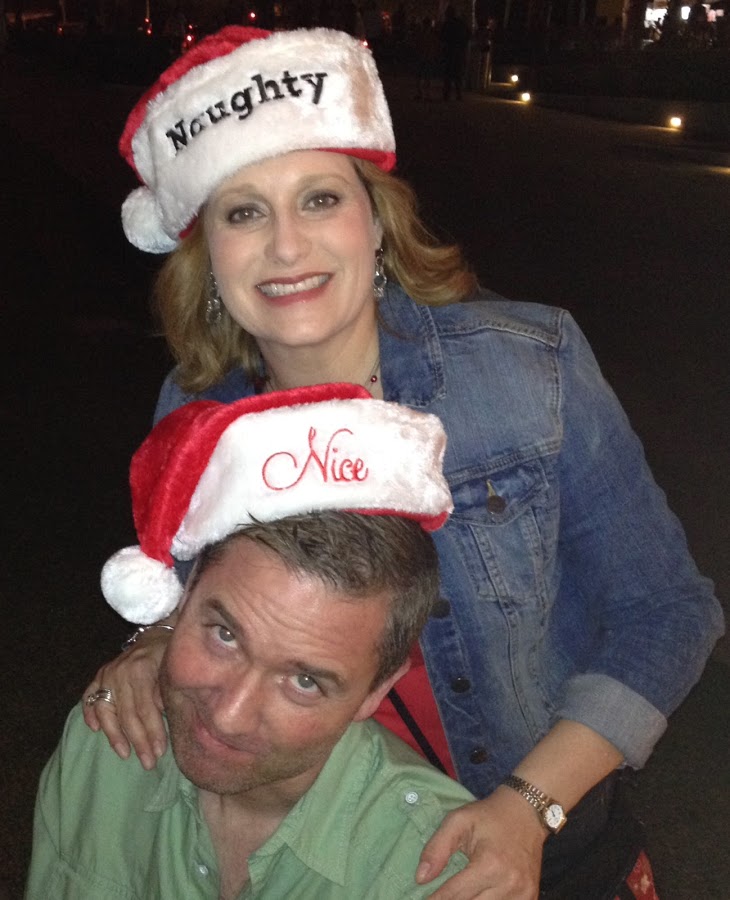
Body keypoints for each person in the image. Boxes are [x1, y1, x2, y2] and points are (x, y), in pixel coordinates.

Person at [83, 25, 724, 899]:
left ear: (376, 223)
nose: (286, 246)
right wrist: (150, 645)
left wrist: (528, 808)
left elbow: (670, 610)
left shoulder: (527, 371)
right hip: (329, 859)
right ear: (209, 257)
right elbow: (213, 613)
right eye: (244, 212)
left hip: (547, 850)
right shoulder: (197, 414)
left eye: (319, 199)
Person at [27, 385, 476, 898]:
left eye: (304, 681)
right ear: (183, 598)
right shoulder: (105, 747)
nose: (229, 717)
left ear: (376, 692)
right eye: (225, 636)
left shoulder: (438, 873)